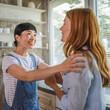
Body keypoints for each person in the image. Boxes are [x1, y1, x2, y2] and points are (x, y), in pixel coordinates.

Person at [2, 22, 85, 110]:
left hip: (34, 107)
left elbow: (53, 71)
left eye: (35, 35)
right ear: (17, 37)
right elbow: (26, 76)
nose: (33, 38)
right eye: (29, 34)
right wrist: (61, 66)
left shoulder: (34, 58)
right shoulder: (9, 59)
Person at [45, 8, 110, 110]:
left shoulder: (79, 60)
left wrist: (53, 86)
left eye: (64, 23)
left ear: (77, 28)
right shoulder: (92, 55)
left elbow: (73, 107)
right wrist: (62, 81)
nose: (61, 28)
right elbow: (85, 90)